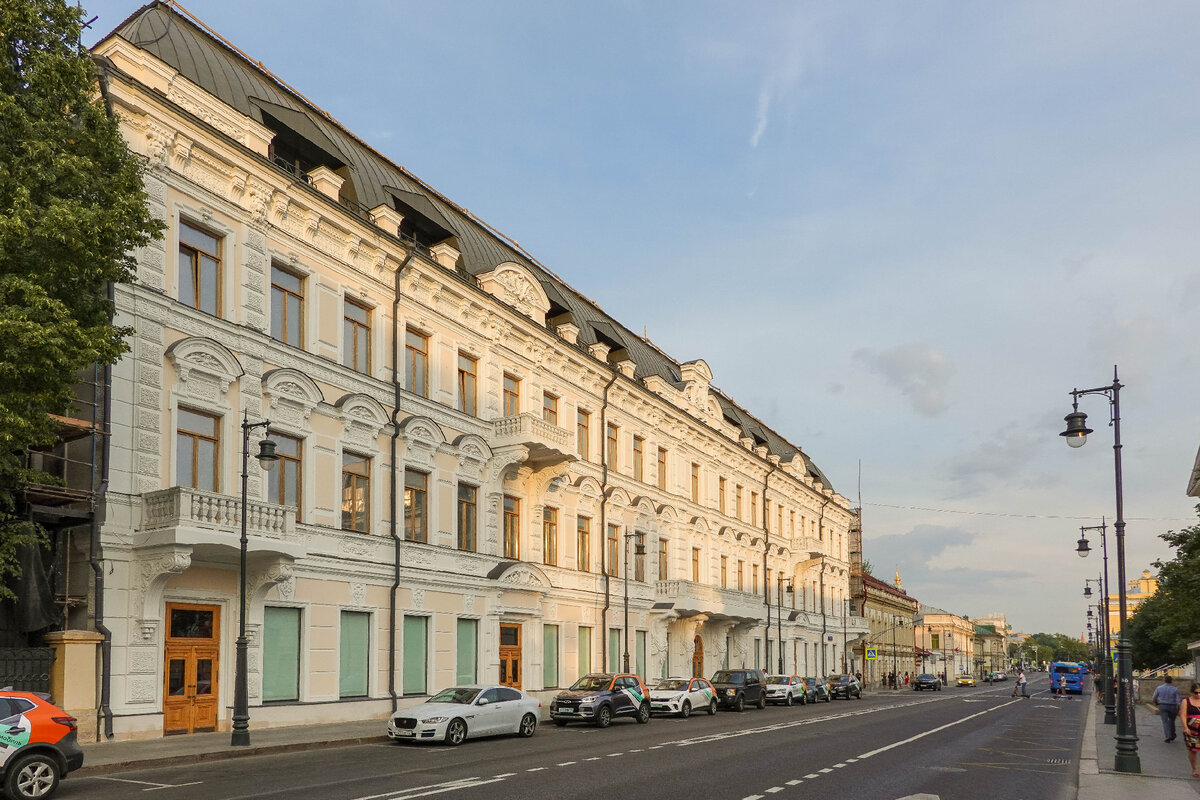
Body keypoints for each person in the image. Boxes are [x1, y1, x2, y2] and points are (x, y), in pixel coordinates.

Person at [1180, 681, 1200, 778]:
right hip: (1192, 729)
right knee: (1193, 749)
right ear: (1192, 692)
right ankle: (1195, 769)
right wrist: (1185, 727)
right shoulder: (1186, 701)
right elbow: (1183, 715)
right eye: (1196, 693)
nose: (1198, 694)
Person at [1153, 675, 1181, 742]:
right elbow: (1178, 700)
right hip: (1173, 706)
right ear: (1171, 681)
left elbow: (1154, 698)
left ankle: (1168, 736)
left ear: (1164, 680)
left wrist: (1156, 702)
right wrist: (1179, 708)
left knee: (1165, 721)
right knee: (1172, 721)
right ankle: (1173, 735)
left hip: (1163, 706)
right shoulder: (1175, 689)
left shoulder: (1159, 688)